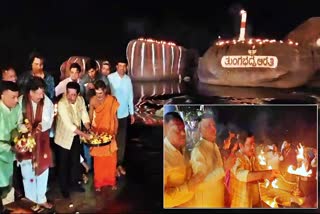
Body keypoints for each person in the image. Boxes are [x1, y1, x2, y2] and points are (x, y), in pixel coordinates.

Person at [17, 77, 54, 209]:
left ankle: (41, 198)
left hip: (41, 141)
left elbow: (49, 120)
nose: (41, 96)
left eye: (42, 93)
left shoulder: (46, 102)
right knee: (27, 172)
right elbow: (17, 121)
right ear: (30, 92)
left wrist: (40, 126)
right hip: (25, 142)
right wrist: (23, 127)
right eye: (38, 93)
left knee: (43, 169)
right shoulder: (21, 101)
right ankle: (32, 201)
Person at [184, 112, 236, 208]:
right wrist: (224, 168)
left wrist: (225, 190)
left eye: (214, 125)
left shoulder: (214, 145)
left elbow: (218, 176)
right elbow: (200, 183)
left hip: (218, 200)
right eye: (208, 126)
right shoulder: (198, 150)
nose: (213, 129)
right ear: (200, 130)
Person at [54, 82, 91, 198]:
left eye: (73, 95)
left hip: (76, 137)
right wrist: (85, 135)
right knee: (64, 164)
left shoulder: (80, 100)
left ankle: (74, 184)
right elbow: (70, 126)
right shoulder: (61, 104)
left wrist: (88, 128)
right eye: (69, 94)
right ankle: (64, 188)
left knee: (75, 162)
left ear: (78, 94)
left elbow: (84, 115)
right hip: (63, 138)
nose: (70, 97)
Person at [163, 112, 204, 208]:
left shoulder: (184, 149)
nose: (183, 133)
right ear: (165, 131)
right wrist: (188, 186)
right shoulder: (164, 157)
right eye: (177, 130)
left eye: (183, 129)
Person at [230, 133, 280, 208]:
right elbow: (241, 175)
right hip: (242, 205)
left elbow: (257, 173)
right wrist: (264, 174)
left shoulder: (253, 157)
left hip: (255, 203)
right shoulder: (235, 158)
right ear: (241, 146)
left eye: (253, 144)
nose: (253, 147)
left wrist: (268, 176)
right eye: (249, 144)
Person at [89, 80, 119, 191]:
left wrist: (114, 133)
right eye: (97, 93)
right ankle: (98, 184)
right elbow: (90, 117)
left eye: (100, 93)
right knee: (99, 162)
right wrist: (90, 131)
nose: (99, 96)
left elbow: (115, 119)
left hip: (110, 134)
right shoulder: (93, 101)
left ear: (105, 91)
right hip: (98, 135)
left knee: (111, 161)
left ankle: (112, 182)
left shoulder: (111, 100)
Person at [108, 59, 135, 176]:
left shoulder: (128, 79)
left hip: (123, 114)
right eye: (120, 66)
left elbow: (130, 97)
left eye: (124, 66)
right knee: (111, 140)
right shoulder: (110, 78)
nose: (122, 68)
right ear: (116, 66)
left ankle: (119, 164)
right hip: (112, 114)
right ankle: (111, 165)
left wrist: (132, 113)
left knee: (121, 141)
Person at [0, 81, 20, 213]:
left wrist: (25, 129)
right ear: (2, 96)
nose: (16, 100)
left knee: (7, 187)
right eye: (13, 97)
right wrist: (10, 148)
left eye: (17, 96)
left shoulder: (16, 107)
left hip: (10, 156)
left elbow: (18, 125)